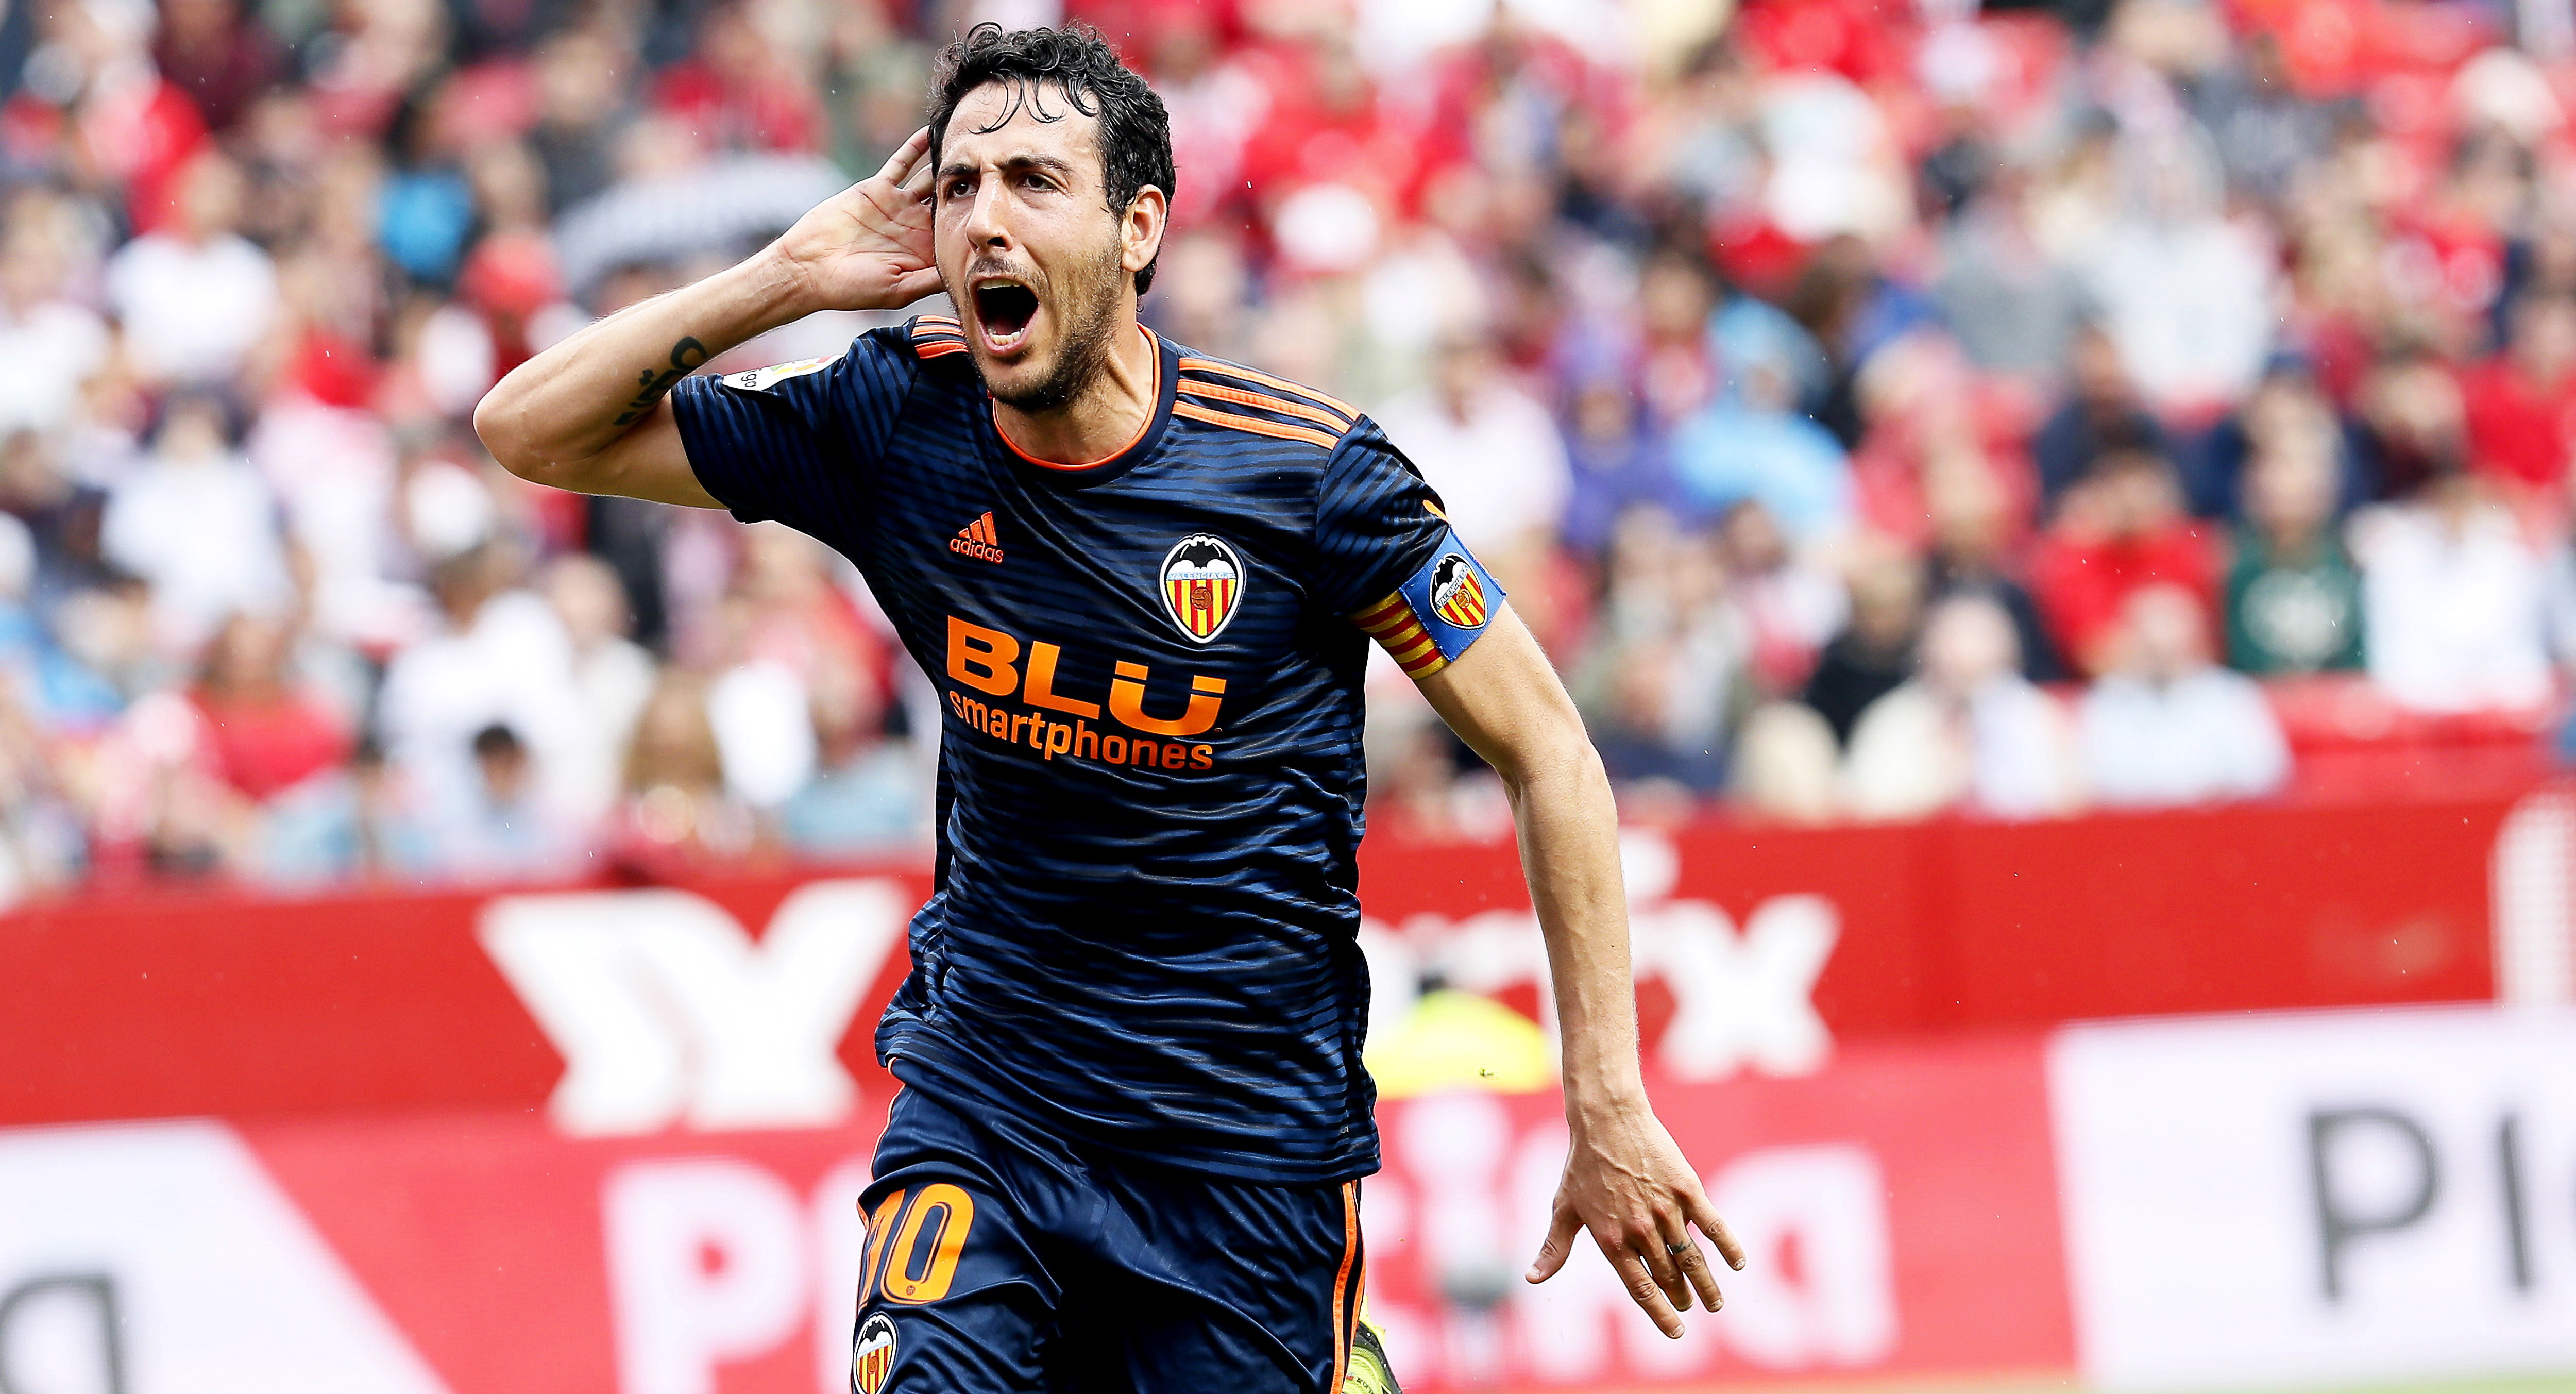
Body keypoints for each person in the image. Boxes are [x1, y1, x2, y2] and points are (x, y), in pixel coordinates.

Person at [472, 24, 1741, 1394]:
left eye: (1033, 181)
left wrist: (1604, 1097)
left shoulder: (1310, 478)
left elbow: (1549, 748)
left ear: (1138, 228)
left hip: (1245, 1151)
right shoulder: (896, 420)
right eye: (960, 187)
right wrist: (790, 274)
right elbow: (529, 429)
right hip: (989, 1099)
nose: (986, 219)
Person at [2078, 584, 2291, 807]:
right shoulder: (2107, 700)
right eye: (2151, 649)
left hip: (2219, 821)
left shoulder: (2232, 696)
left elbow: (2263, 773)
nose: (2161, 659)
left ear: (2195, 640)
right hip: (2134, 823)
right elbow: (2096, 780)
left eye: (2170, 647)